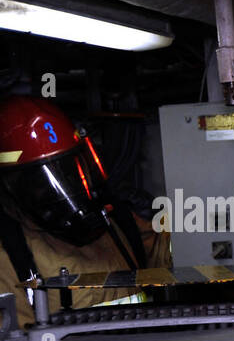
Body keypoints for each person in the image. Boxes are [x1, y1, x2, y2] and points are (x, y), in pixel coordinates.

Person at [0, 95, 169, 325]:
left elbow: (162, 251)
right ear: (12, 187)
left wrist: (206, 227)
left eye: (68, 170)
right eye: (42, 182)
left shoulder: (116, 220)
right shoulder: (9, 258)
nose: (66, 188)